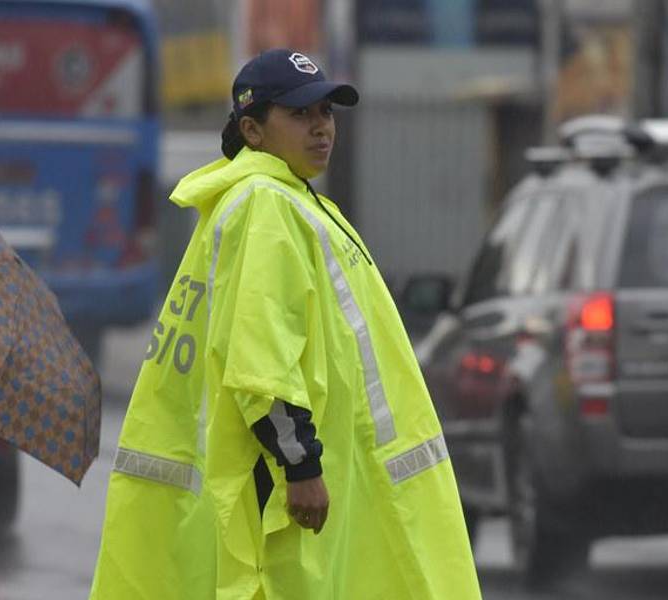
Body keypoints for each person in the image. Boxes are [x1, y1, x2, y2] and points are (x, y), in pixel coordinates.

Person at [91, 48, 481, 599]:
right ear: (252, 130)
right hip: (281, 482)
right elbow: (260, 353)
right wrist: (301, 466)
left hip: (293, 474)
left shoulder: (286, 200)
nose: (321, 127)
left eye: (326, 112)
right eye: (300, 115)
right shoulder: (265, 205)